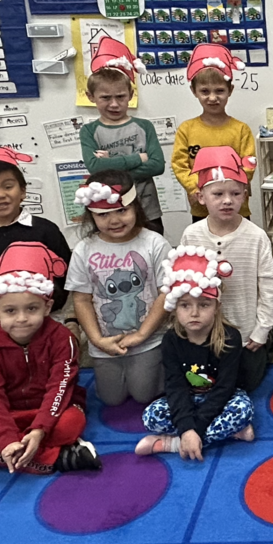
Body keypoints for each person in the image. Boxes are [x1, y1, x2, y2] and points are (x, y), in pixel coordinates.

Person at [0, 242, 101, 483]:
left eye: (31, 308)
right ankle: (57, 459)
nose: (21, 319)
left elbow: (59, 388)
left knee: (70, 424)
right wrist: (6, 440)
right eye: (10, 311)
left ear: (47, 307)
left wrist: (39, 430)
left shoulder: (63, 339)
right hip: (11, 414)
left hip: (54, 411)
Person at [135, 246, 255, 458]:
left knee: (242, 410)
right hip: (188, 399)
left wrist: (194, 430)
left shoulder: (229, 338)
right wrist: (187, 427)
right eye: (185, 306)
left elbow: (225, 389)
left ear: (216, 306)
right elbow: (175, 386)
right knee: (151, 416)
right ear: (175, 308)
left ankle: (173, 445)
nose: (194, 313)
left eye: (203, 305)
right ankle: (228, 434)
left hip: (221, 400)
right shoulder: (171, 341)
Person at [66, 170, 170, 406]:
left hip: (149, 339)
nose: (114, 220)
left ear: (135, 206)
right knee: (111, 400)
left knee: (144, 395)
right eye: (103, 214)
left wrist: (142, 334)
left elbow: (166, 293)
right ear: (91, 215)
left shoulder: (154, 242)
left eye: (121, 210)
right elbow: (81, 300)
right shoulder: (84, 249)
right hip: (105, 344)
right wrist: (96, 340)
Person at [180, 146, 273, 391]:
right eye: (218, 194)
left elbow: (269, 285)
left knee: (246, 383)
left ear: (245, 195)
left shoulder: (256, 236)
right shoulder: (191, 235)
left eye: (235, 193)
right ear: (201, 197)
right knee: (203, 381)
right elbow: (182, 284)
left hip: (246, 327)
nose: (227, 200)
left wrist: (261, 329)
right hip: (205, 329)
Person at [0, 147, 72, 331]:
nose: (0, 194)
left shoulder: (45, 231)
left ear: (22, 191)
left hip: (46, 317)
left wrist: (54, 302)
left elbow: (64, 271)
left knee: (51, 356)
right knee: (2, 358)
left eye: (8, 186)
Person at [79, 38, 166, 234]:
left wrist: (111, 169)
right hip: (110, 212)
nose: (114, 104)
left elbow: (157, 165)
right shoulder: (89, 131)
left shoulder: (144, 126)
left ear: (130, 94)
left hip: (148, 209)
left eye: (120, 96)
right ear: (91, 97)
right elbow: (95, 169)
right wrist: (138, 159)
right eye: (105, 98)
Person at [171, 44, 256, 222]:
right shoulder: (187, 130)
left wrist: (227, 188)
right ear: (194, 91)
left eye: (219, 91)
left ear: (230, 91)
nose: (212, 98)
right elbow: (180, 165)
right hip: (202, 207)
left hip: (235, 206)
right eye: (204, 91)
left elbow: (248, 165)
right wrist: (197, 188)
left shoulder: (241, 130)